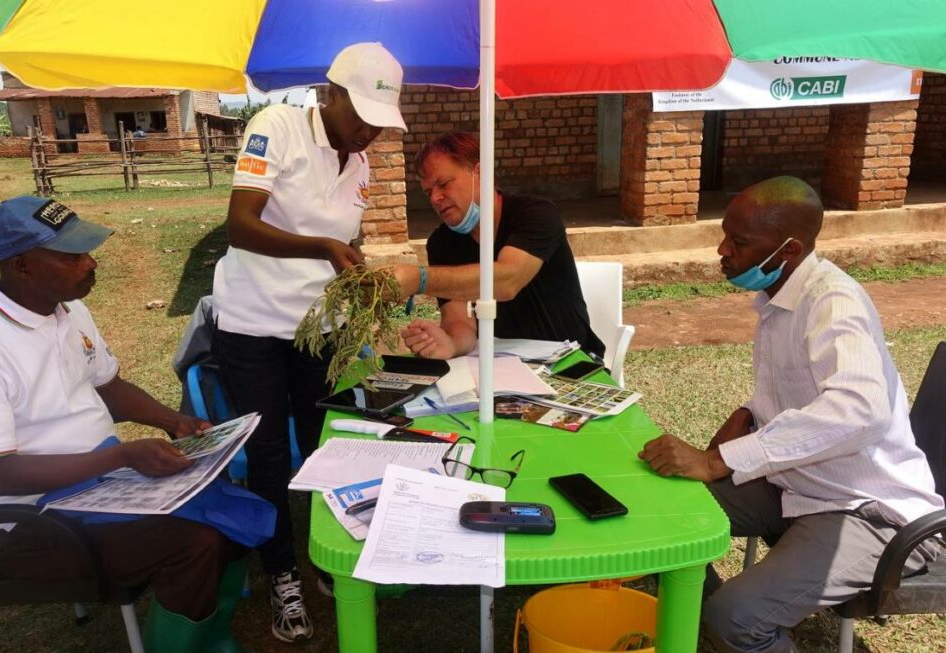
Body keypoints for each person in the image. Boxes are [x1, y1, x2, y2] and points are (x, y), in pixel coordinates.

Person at [0, 196, 258, 652]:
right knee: (196, 540)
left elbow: (108, 384)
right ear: (21, 265)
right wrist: (121, 454)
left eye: (87, 251)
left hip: (101, 486)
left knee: (236, 505)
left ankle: (211, 637)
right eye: (71, 256)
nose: (90, 263)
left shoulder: (66, 309)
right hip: (30, 523)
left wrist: (174, 420)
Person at [637, 176, 943, 653]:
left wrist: (722, 461)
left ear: (789, 250)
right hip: (799, 483)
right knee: (662, 517)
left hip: (868, 510)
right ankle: (713, 618)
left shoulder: (833, 303)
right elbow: (797, 396)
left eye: (738, 242)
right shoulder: (780, 298)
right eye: (725, 235)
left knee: (736, 617)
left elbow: (860, 410)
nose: (722, 250)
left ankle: (734, 625)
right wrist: (746, 414)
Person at [210, 42, 407, 642]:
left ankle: (325, 556)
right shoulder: (279, 127)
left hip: (318, 331)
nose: (369, 134)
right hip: (252, 327)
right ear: (331, 94)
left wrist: (359, 274)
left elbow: (344, 240)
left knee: (326, 442)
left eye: (380, 124)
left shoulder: (360, 163)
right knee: (268, 455)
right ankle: (282, 575)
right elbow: (240, 224)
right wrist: (322, 247)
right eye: (361, 119)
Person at [391, 132, 604, 360]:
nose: (435, 198)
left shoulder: (535, 214)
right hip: (501, 364)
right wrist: (450, 343)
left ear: (480, 174)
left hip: (568, 360)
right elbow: (460, 322)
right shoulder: (441, 243)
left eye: (443, 184)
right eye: (428, 192)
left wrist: (420, 280)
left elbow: (508, 280)